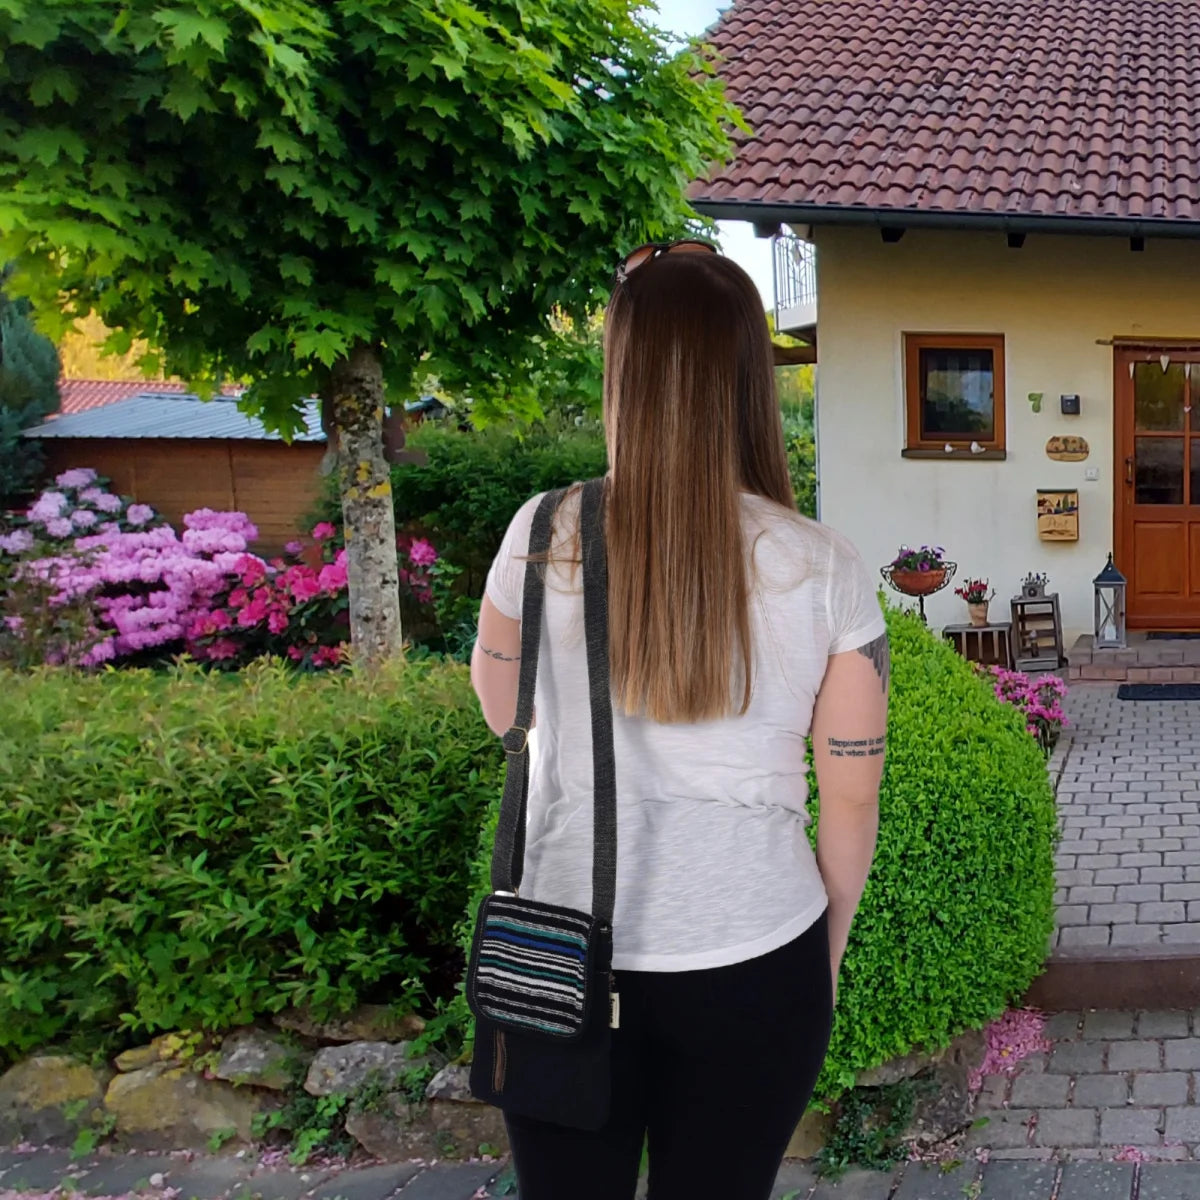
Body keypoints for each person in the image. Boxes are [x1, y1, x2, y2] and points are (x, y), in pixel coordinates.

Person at [470, 241, 887, 1200]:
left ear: (622, 372)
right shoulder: (820, 564)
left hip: (562, 952)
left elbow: (506, 712)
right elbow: (851, 795)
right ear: (748, 375)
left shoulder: (542, 534)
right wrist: (821, 954)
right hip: (758, 952)